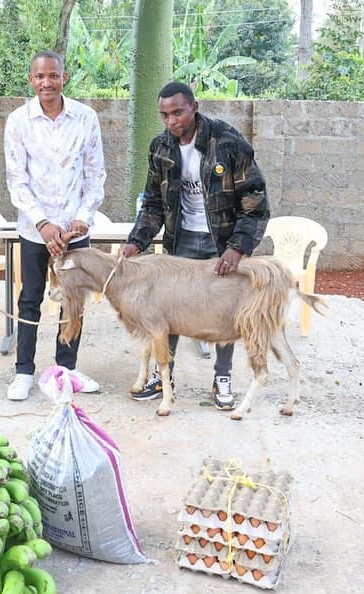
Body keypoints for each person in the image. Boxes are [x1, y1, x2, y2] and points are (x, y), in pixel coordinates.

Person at [120, 81, 269, 410]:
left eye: (177, 112)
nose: (171, 121)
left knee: (225, 309)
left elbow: (254, 199)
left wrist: (238, 247)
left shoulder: (227, 141)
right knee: (167, 307)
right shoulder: (160, 147)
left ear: (194, 107)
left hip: (222, 241)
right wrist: (136, 241)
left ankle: (223, 377)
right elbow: (153, 205)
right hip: (181, 239)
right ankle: (164, 376)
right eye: (164, 115)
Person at [3, 51, 107, 401]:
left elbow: (95, 174)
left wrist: (81, 218)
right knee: (30, 299)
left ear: (64, 77)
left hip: (75, 230)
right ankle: (24, 372)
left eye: (53, 75)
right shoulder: (18, 121)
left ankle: (67, 368)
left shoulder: (85, 118)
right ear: (30, 80)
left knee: (73, 300)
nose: (46, 82)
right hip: (35, 229)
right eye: (39, 76)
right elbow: (17, 180)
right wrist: (44, 224)